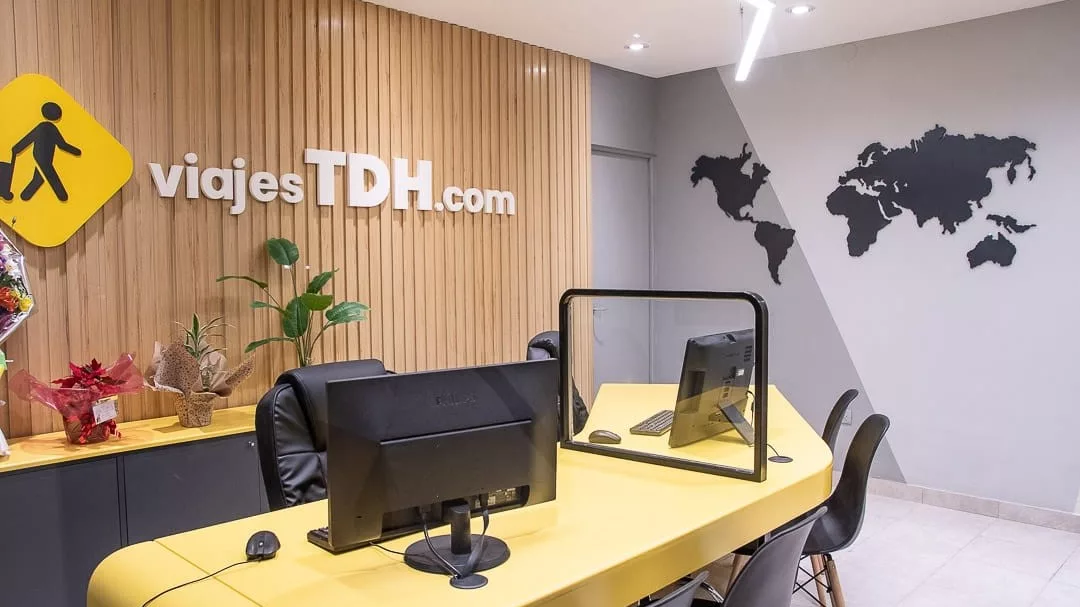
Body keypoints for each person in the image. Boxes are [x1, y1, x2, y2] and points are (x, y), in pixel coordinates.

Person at [12, 101, 81, 202]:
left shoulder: (44, 127)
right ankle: (62, 196)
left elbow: (29, 138)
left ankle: (25, 196)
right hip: (42, 158)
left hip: (42, 156)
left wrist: (17, 148)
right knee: (51, 176)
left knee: (39, 178)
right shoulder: (50, 128)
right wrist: (76, 151)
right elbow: (62, 145)